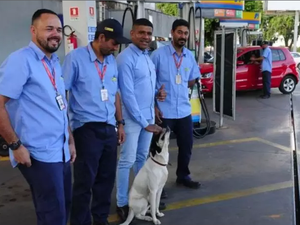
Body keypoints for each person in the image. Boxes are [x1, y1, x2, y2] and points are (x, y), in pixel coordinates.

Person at [0, 9, 76, 225]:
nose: (55, 34)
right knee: (52, 214)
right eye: (49, 29)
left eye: (59, 30)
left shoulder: (53, 63)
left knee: (63, 207)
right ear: (33, 31)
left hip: (59, 151)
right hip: (38, 154)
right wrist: (15, 146)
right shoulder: (20, 61)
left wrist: (69, 140)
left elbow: (59, 106)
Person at [62, 18, 130, 225]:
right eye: (113, 42)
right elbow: (63, 94)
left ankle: (100, 219)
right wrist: (68, 131)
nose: (116, 47)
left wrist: (120, 123)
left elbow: (115, 93)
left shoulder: (110, 61)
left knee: (106, 180)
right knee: (85, 181)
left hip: (109, 128)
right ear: (101, 37)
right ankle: (80, 221)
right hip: (86, 129)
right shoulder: (75, 59)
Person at [115, 18, 166, 222]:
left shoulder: (147, 57)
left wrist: (157, 95)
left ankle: (140, 196)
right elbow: (127, 95)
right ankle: (121, 202)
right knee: (126, 160)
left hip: (147, 118)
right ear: (132, 33)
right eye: (141, 33)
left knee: (141, 159)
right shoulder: (125, 58)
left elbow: (145, 87)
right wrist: (144, 122)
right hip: (132, 119)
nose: (146, 37)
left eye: (148, 33)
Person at [150, 19, 201, 194]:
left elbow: (193, 78)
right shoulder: (158, 55)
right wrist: (156, 96)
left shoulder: (190, 56)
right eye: (179, 32)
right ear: (172, 33)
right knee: (159, 149)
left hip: (184, 111)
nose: (183, 36)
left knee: (186, 145)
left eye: (185, 33)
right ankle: (157, 185)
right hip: (164, 111)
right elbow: (149, 81)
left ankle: (183, 176)